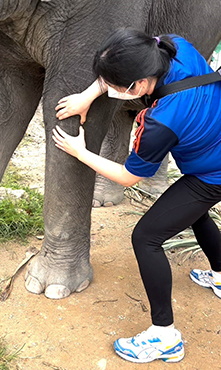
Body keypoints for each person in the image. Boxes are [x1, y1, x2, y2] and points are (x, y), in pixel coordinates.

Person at [52, 28, 221, 363]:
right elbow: (127, 64)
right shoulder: (174, 48)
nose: (112, 90)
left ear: (140, 85)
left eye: (115, 87)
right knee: (193, 211)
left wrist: (81, 152)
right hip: (213, 150)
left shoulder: (160, 123)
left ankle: (164, 336)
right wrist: (90, 94)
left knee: (146, 237)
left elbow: (128, 177)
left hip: (212, 175)